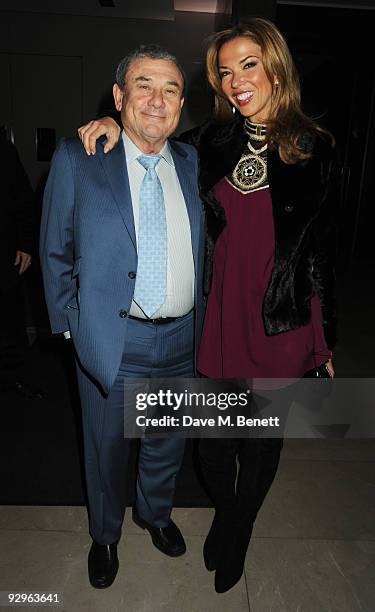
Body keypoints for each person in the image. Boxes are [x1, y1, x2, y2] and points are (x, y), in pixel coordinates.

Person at [77, 17, 337, 594]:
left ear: (276, 67)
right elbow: (152, 139)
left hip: (279, 323)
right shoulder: (210, 144)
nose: (237, 81)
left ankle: (237, 528)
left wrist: (323, 342)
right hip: (217, 322)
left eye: (249, 64)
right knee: (215, 452)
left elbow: (320, 254)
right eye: (225, 71)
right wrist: (111, 125)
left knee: (261, 441)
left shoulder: (315, 149)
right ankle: (229, 508)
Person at [40, 44, 205, 589]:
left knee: (166, 440)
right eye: (143, 86)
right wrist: (72, 327)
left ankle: (154, 515)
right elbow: (55, 252)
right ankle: (106, 534)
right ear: (118, 96)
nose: (157, 101)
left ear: (182, 103)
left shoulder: (194, 161)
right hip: (115, 337)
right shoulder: (78, 157)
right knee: (106, 448)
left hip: (182, 335)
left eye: (171, 89)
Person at [0, 136, 44, 400]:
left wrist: (26, 244)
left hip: (5, 253)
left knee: (10, 320)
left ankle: (12, 377)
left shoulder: (3, 148)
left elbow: (22, 198)